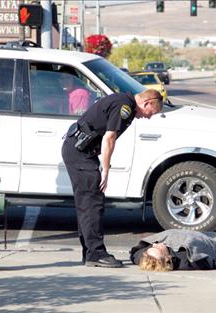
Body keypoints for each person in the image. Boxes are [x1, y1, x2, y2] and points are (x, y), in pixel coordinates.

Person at [61, 89, 163, 268]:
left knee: (87, 203)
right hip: (80, 153)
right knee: (92, 203)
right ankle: (96, 253)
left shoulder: (123, 101)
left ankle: (90, 252)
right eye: (150, 113)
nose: (148, 117)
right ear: (146, 103)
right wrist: (106, 170)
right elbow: (109, 137)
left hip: (80, 151)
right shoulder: (125, 106)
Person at [129, 229, 216, 271]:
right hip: (210, 241)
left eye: (151, 248)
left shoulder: (140, 257)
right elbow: (215, 262)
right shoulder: (184, 260)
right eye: (159, 249)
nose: (155, 244)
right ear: (167, 258)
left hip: (189, 233)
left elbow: (134, 254)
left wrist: (151, 249)